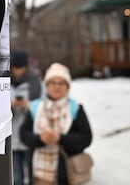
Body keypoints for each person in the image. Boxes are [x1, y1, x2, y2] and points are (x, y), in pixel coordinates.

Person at [20, 63, 92, 185]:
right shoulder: (36, 107)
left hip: (66, 176)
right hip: (39, 176)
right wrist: (40, 139)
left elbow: (86, 138)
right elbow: (24, 134)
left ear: (67, 87)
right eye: (53, 83)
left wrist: (60, 138)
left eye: (61, 83)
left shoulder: (75, 109)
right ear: (47, 86)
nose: (56, 87)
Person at [10, 50, 41, 185]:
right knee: (16, 178)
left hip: (30, 136)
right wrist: (10, 106)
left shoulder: (35, 83)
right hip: (12, 137)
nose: (18, 71)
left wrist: (28, 105)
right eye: (15, 67)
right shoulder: (5, 83)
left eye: (20, 67)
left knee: (33, 175)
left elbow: (43, 105)